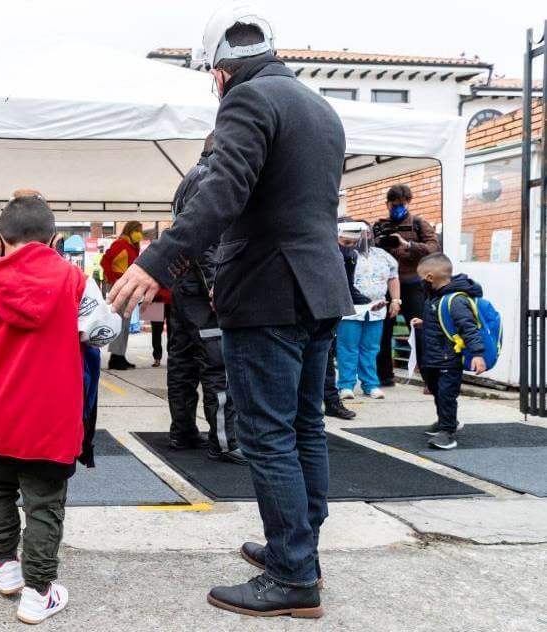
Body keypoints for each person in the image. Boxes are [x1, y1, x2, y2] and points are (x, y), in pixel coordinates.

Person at [108, 6, 352, 618]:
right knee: (303, 429)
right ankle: (299, 551)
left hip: (270, 291)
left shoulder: (247, 102)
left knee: (267, 435)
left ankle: (293, 577)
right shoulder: (318, 107)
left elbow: (223, 191)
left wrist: (156, 260)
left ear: (220, 73)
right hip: (319, 288)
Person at [0, 195, 120, 625]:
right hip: (50, 421)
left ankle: (4, 567)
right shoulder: (76, 281)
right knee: (43, 503)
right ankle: (38, 591)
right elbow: (103, 331)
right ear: (55, 239)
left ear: (0, 241)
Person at [165, 132, 248, 464]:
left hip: (183, 286)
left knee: (183, 363)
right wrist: (216, 286)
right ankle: (225, 442)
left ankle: (182, 432)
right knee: (217, 366)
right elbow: (206, 239)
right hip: (200, 290)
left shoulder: (191, 176)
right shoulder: (211, 178)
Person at [411, 254, 487, 450]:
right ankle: (445, 421)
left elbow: (468, 327)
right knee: (436, 391)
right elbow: (443, 322)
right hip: (434, 357)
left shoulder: (455, 300)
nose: (420, 282)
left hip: (448, 358)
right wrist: (425, 323)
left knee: (446, 394)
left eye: (421, 278)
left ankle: (448, 432)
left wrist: (478, 354)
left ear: (429, 277)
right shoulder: (435, 297)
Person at [373, 184, 440, 386]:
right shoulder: (380, 225)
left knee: (419, 329)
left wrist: (408, 245)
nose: (397, 209)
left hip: (413, 283)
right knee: (382, 332)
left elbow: (434, 248)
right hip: (387, 285)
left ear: (408, 203)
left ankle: (430, 380)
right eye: (394, 205)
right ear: (387, 204)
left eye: (401, 205)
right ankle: (384, 376)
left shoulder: (419, 223)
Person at [336, 222, 401, 400]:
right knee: (348, 347)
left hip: (376, 307)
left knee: (371, 348)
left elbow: (393, 277)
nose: (364, 236)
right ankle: (345, 385)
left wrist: (396, 299)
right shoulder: (344, 253)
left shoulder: (382, 256)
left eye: (366, 232)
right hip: (351, 307)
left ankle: (370, 383)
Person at [100, 221, 144, 370]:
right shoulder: (121, 244)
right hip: (120, 285)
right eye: (138, 230)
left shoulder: (131, 247)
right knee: (120, 322)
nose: (140, 233)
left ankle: (120, 355)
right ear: (130, 231)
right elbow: (104, 260)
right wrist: (113, 279)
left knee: (125, 323)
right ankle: (115, 358)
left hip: (127, 285)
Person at [149, 289, 171, 367]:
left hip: (172, 300)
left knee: (173, 331)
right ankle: (157, 357)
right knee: (156, 332)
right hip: (156, 299)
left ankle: (172, 357)